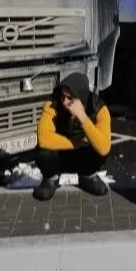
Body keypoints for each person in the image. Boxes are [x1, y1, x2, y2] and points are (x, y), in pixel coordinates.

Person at [32, 72, 112, 201]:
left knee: (99, 151)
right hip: (61, 153)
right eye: (63, 96)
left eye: (70, 98)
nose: (64, 102)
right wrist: (76, 143)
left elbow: (104, 148)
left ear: (81, 97)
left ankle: (88, 176)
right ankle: (51, 179)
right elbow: (44, 138)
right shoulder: (52, 103)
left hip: (84, 154)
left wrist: (82, 116)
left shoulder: (99, 108)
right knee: (43, 153)